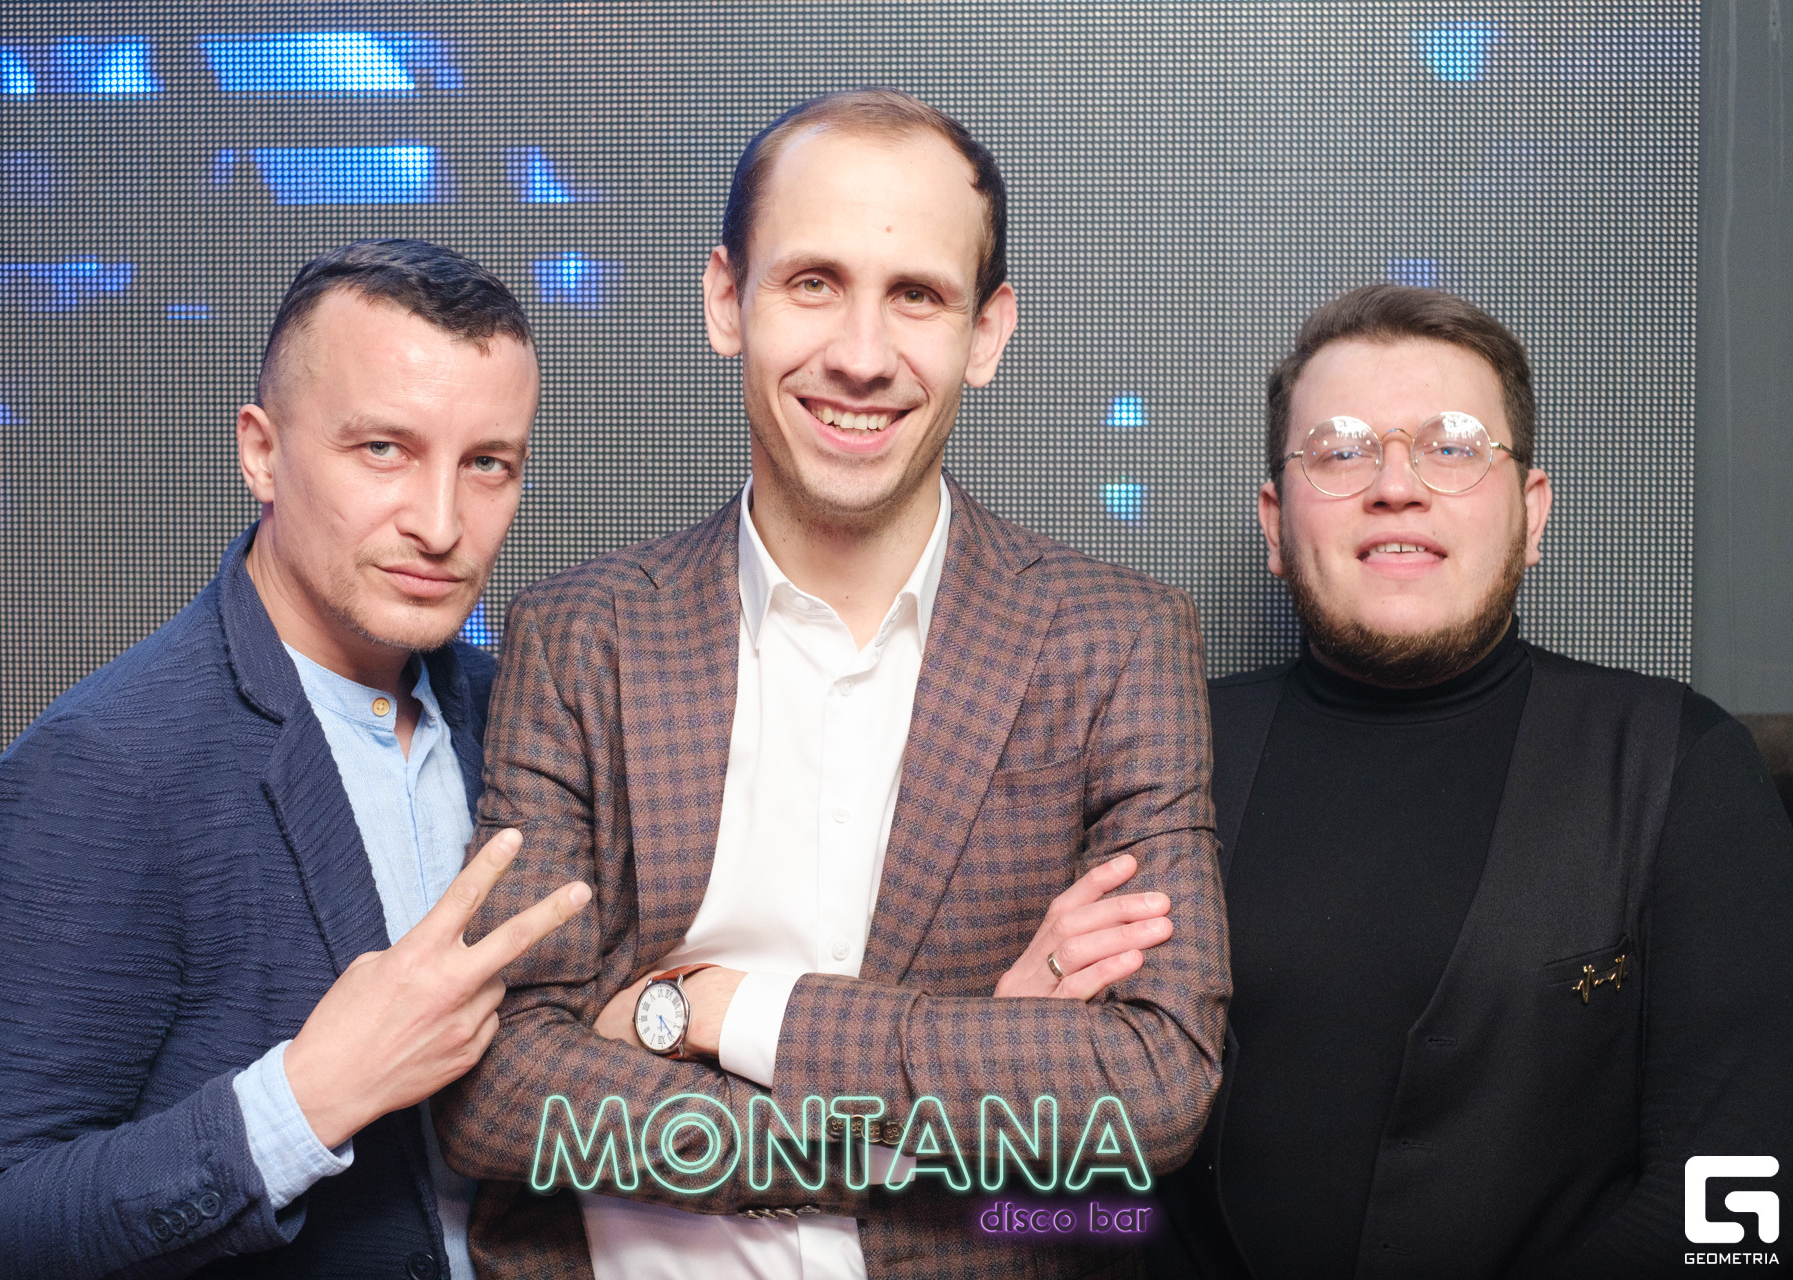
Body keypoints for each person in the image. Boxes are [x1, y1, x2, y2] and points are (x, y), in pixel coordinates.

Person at [431, 89, 1229, 1280]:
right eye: (813, 282)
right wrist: (943, 1101)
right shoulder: (582, 634)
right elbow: (498, 1092)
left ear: (988, 332)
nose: (860, 355)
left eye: (918, 296)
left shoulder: (1115, 644)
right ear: (727, 300)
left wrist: (713, 1009)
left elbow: (1149, 1093)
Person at [0, 239, 590, 1279]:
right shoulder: (105, 768)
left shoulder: (519, 713)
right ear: (261, 454)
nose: (441, 523)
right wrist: (307, 1098)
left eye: (487, 464)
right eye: (383, 449)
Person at [1150, 283, 1793, 1279]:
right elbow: (1062, 1166)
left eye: (1453, 446)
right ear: (1275, 525)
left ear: (1532, 514)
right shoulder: (1160, 754)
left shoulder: (1676, 763)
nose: (1395, 485)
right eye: (1340, 450)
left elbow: (1744, 1192)